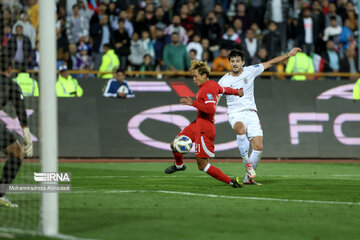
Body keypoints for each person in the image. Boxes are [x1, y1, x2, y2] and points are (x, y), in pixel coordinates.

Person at [218, 48, 301, 185]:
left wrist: (288, 55)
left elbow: (270, 63)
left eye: (238, 61)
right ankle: (247, 163)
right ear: (229, 63)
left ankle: (248, 179)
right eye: (232, 61)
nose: (235, 64)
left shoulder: (251, 71)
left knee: (258, 146)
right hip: (235, 113)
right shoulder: (223, 81)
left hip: (251, 112)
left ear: (243, 62)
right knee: (240, 128)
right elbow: (216, 98)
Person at [164, 60, 244, 188]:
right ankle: (179, 165)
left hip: (205, 129)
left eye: (196, 76)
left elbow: (211, 109)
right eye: (193, 77)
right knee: (174, 144)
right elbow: (224, 90)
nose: (194, 79)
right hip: (197, 124)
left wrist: (193, 103)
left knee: (202, 165)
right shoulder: (213, 85)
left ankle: (232, 181)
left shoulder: (206, 89)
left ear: (204, 75)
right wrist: (237, 92)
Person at [0, 54, 33, 207]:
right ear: (9, 69)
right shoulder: (12, 86)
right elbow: (20, 109)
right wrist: (26, 133)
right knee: (17, 154)